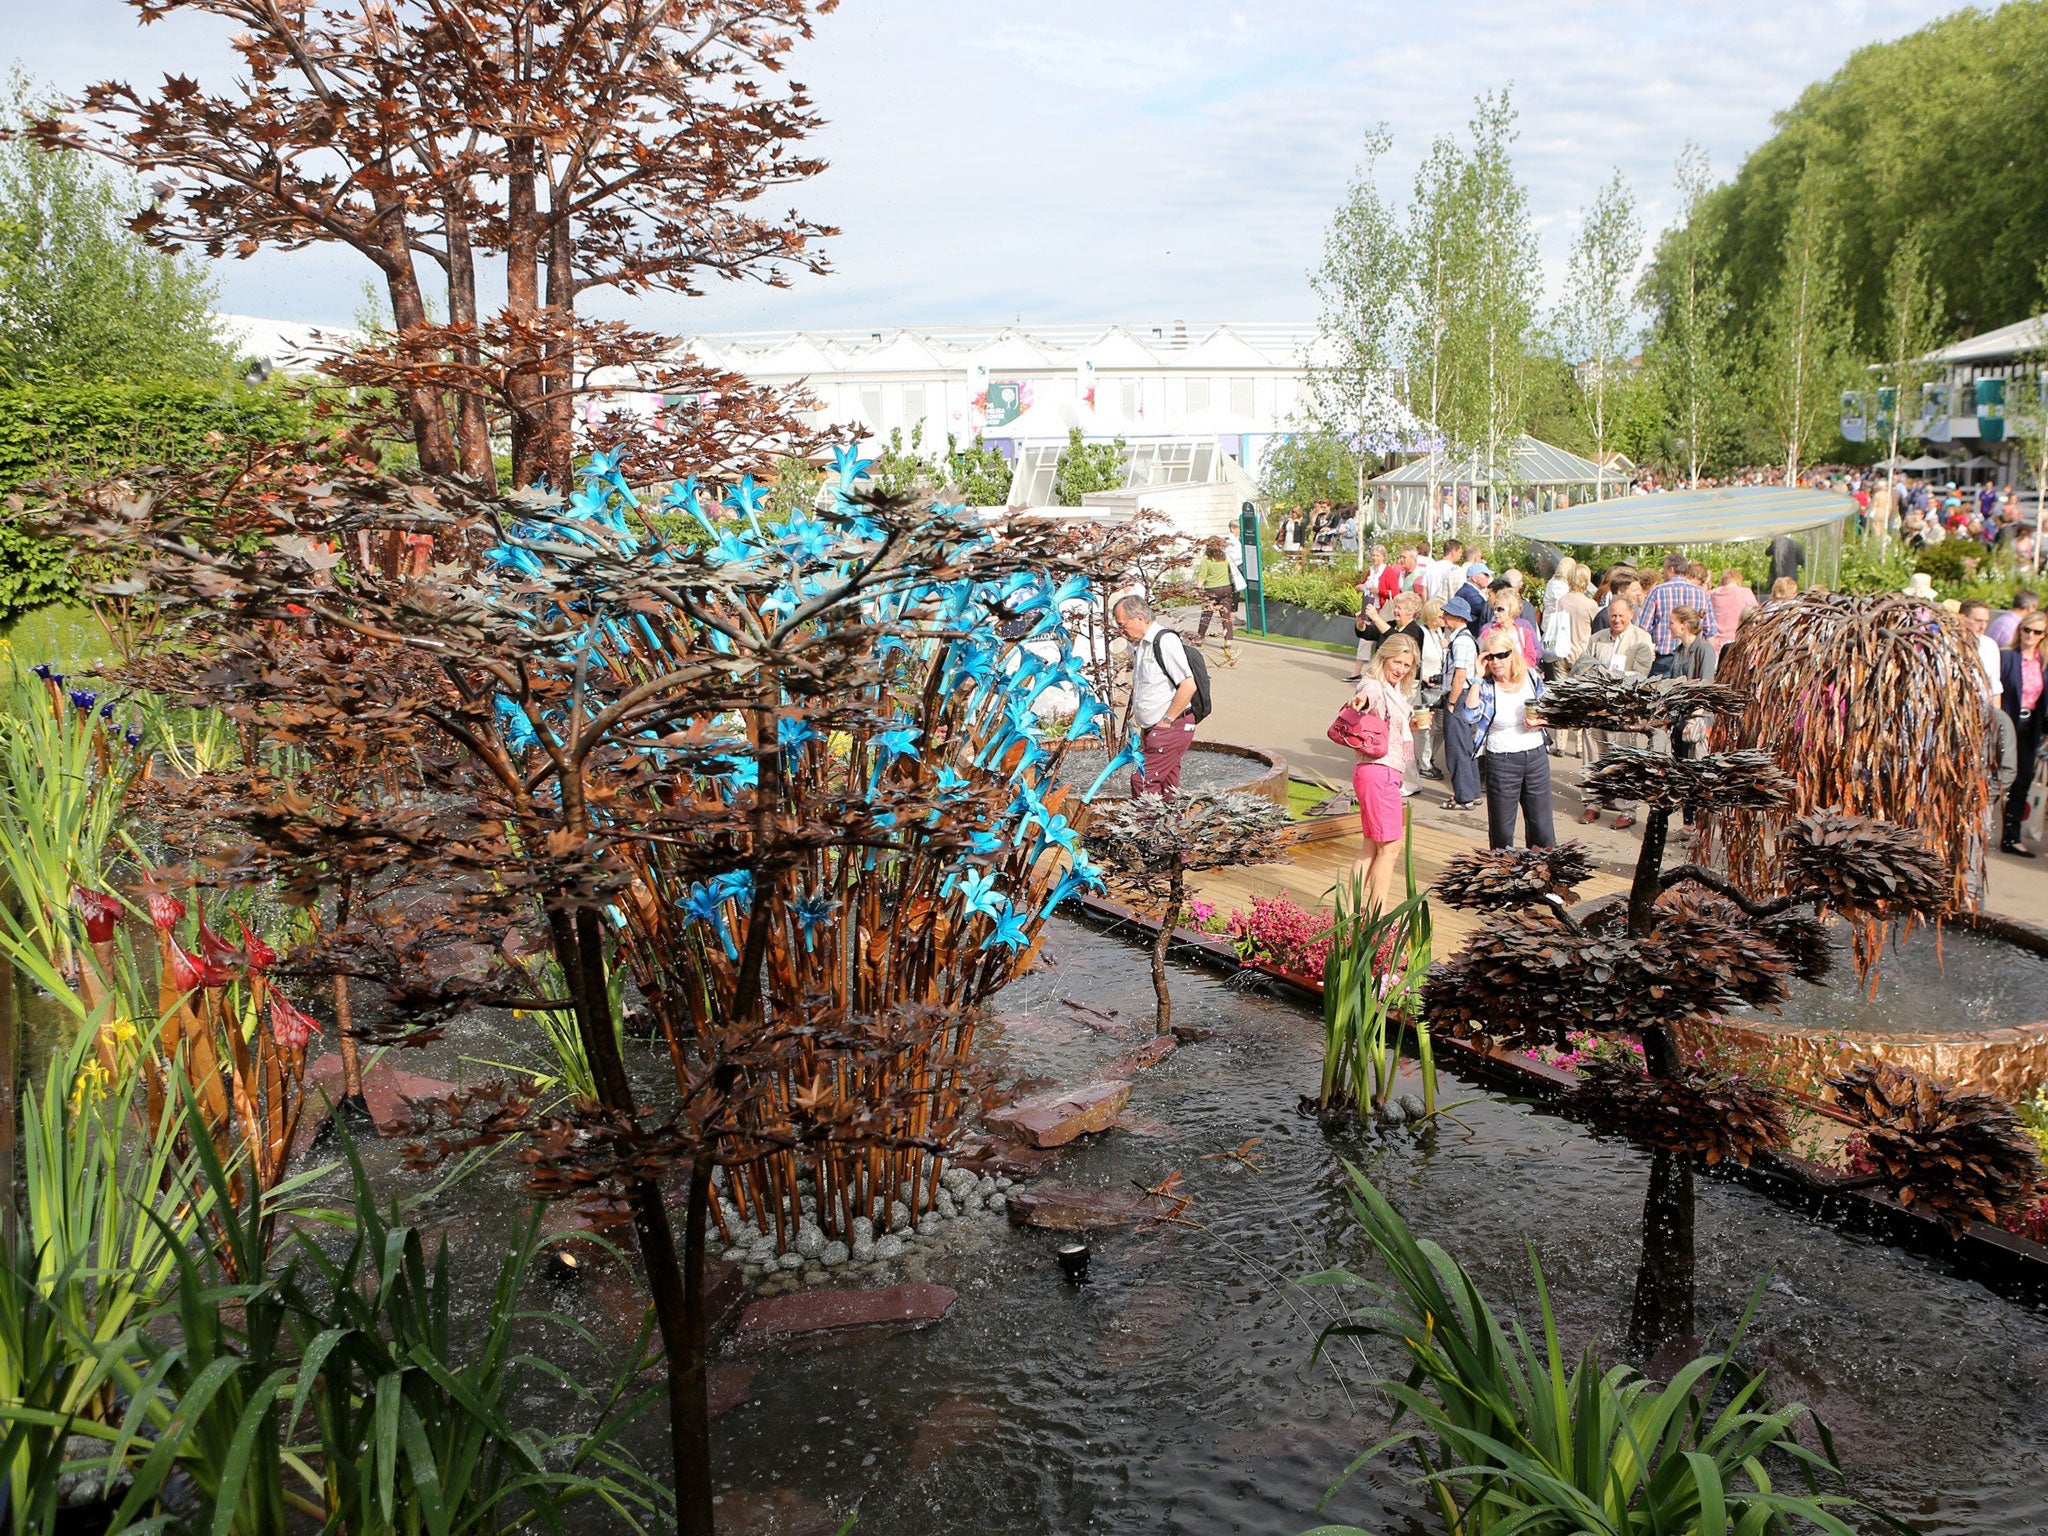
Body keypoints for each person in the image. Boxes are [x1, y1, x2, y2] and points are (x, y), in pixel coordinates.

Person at [1346, 634, 1422, 911]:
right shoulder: (1374, 685)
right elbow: (1366, 696)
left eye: (1407, 665)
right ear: (1384, 658)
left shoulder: (1394, 690)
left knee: (1371, 846)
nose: (1401, 669)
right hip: (1380, 774)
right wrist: (1361, 701)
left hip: (1375, 773)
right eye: (1397, 662)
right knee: (1390, 849)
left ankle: (1351, 913)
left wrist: (1408, 728)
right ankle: (1376, 917)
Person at [1461, 634, 1556, 849]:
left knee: (1542, 827)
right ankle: (1502, 876)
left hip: (1535, 757)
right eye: (1490, 657)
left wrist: (1541, 721)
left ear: (1512, 653)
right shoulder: (1485, 686)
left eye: (1502, 655)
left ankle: (1544, 876)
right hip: (1502, 761)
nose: (1496, 662)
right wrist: (1476, 677)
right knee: (1502, 830)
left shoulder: (1531, 677)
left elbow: (1551, 709)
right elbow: (1469, 716)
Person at [1574, 596, 1654, 830]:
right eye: (1613, 615)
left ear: (1631, 614)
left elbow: (1641, 675)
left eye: (1621, 615)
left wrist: (1609, 675)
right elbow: (1582, 669)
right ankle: (1593, 803)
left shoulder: (1642, 639)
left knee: (1623, 759)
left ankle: (1627, 809)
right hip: (1596, 707)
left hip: (1623, 710)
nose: (1616, 619)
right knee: (1593, 757)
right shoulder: (1597, 639)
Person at [1113, 596, 1198, 796]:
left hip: (1170, 727)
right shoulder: (1141, 645)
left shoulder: (1165, 641)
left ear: (1139, 618)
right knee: (1168, 787)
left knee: (1142, 781)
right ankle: (1171, 824)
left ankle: (1145, 826)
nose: (1120, 631)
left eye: (1122, 625)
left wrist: (1166, 722)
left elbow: (1188, 685)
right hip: (1155, 729)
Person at [1998, 610, 2046, 857]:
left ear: (2043, 635)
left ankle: (2011, 836)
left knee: (2022, 780)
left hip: (2030, 727)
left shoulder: (2043, 661)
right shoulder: (2007, 657)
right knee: (1997, 776)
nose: (2030, 635)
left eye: (2036, 632)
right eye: (2027, 629)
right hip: (2006, 723)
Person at [1434, 596, 1483, 810]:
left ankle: (1464, 797)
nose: (1443, 617)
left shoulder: (1461, 641)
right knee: (1465, 747)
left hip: (1460, 697)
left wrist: (1452, 702)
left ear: (1458, 617)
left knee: (1456, 749)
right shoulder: (1464, 638)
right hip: (1466, 697)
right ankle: (1471, 792)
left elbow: (1460, 675)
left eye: (1447, 614)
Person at [1636, 553, 1716, 675]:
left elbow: (1644, 627)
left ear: (1671, 570)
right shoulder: (1701, 593)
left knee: (1660, 692)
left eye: (1663, 569)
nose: (1663, 573)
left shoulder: (1657, 591)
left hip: (1664, 656)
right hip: (1693, 656)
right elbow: (1709, 629)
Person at [1193, 537, 1240, 661]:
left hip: (1211, 590)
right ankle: (1228, 639)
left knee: (1207, 613)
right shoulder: (1225, 558)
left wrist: (1197, 587)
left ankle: (1200, 636)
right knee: (1226, 614)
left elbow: (1202, 576)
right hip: (1226, 588)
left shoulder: (1206, 560)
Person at [1708, 567, 1758, 653]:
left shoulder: (1712, 594)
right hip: (1738, 641)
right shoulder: (1746, 593)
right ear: (1739, 579)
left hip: (1717, 644)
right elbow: (1756, 615)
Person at [1959, 599, 2001, 700]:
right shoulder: (1945, 645)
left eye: (1986, 621)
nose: (1983, 626)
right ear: (1962, 619)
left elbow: (1995, 688)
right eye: (1978, 621)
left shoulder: (1990, 646)